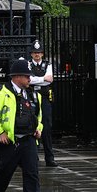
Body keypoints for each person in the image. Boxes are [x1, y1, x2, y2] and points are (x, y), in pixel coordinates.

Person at [0, 58, 47, 192]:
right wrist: (0, 133)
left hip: (28, 140)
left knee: (32, 173)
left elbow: (38, 117)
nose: (29, 79)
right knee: (4, 173)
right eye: (27, 76)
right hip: (10, 141)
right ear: (17, 77)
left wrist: (38, 129)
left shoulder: (34, 95)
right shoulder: (0, 94)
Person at [27, 39, 56, 167]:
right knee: (32, 125)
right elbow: (28, 80)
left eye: (39, 52)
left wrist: (36, 79)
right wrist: (42, 79)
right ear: (31, 54)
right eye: (34, 52)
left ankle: (50, 158)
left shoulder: (47, 64)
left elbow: (49, 80)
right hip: (32, 97)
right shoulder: (28, 64)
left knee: (47, 127)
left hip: (44, 98)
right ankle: (33, 157)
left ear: (42, 54)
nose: (37, 55)